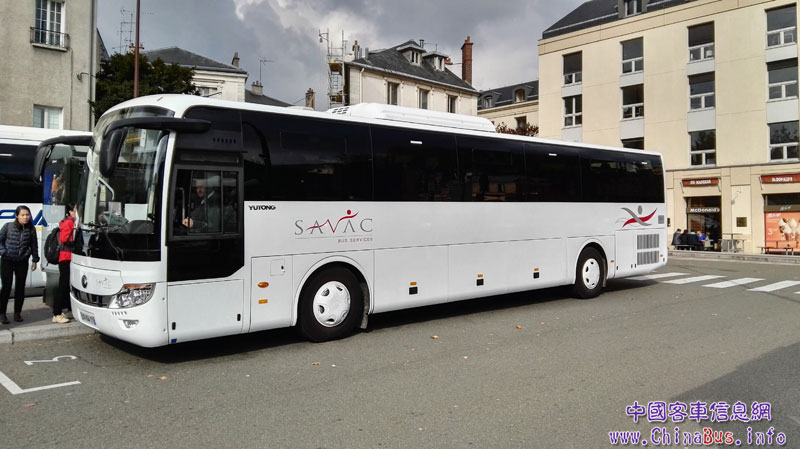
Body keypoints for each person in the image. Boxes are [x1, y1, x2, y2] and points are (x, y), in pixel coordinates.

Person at [0, 206, 40, 324]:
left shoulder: (31, 229)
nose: (25, 217)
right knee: (6, 287)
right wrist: (3, 252)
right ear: (17, 216)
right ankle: (2, 314)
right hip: (7, 260)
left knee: (20, 288)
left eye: (27, 215)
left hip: (22, 261)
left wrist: (35, 259)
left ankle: (17, 313)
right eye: (23, 215)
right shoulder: (8, 226)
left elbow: (34, 245)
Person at [54, 203, 77, 324]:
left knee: (67, 285)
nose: (77, 213)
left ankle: (69, 310)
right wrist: (74, 243)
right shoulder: (69, 222)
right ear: (70, 212)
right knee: (63, 285)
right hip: (66, 257)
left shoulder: (70, 222)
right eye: (75, 210)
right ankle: (56, 313)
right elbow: (64, 239)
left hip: (67, 257)